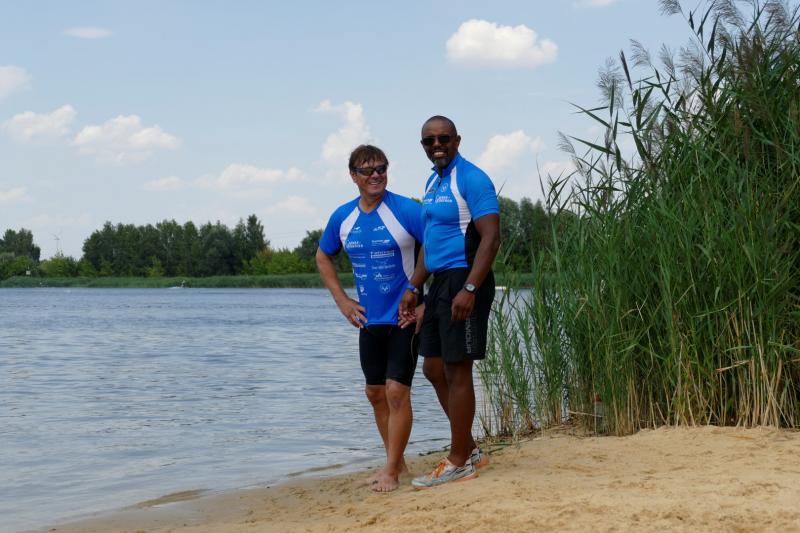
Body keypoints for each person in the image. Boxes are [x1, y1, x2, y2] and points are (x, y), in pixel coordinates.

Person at [399, 116, 501, 489]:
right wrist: (414, 286)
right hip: (440, 282)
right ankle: (469, 448)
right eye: (429, 141)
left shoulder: (472, 178)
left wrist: (471, 288)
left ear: (457, 140)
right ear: (423, 146)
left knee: (458, 370)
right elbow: (430, 241)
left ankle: (459, 461)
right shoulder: (433, 182)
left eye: (443, 138)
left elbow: (491, 238)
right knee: (433, 368)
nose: (437, 145)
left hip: (465, 278)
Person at [316, 144, 424, 492]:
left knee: (397, 391)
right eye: (367, 170)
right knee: (375, 392)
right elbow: (322, 256)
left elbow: (437, 249)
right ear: (353, 176)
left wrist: (422, 300)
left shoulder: (407, 210)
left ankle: (390, 471)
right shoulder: (343, 217)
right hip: (369, 321)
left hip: (404, 318)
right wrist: (342, 300)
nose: (376, 175)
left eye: (381, 168)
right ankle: (398, 462)